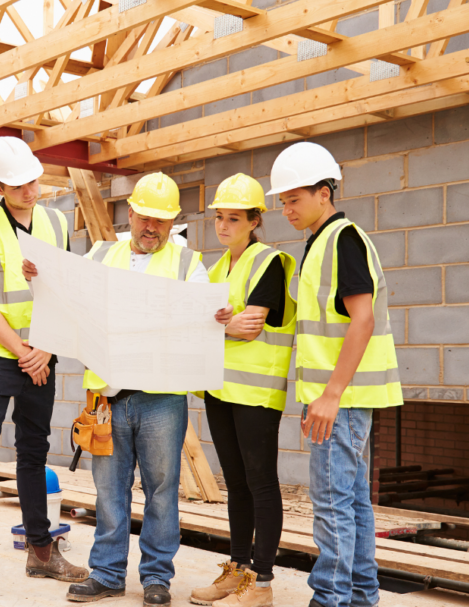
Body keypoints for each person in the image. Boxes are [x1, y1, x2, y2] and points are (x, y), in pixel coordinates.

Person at [25, 172, 232, 607]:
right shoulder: (100, 254)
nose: (150, 228)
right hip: (107, 396)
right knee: (109, 490)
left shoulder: (186, 264)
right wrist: (37, 279)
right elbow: (66, 300)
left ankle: (156, 578)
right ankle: (107, 574)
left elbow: (202, 311)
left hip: (161, 398)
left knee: (161, 490)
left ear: (172, 220)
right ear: (131, 214)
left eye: (160, 220)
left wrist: (216, 314)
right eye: (144, 218)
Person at [0, 137, 88, 602]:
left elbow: (64, 290)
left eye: (33, 179)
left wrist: (43, 350)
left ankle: (41, 552)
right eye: (18, 184)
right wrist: (23, 349)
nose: (30, 189)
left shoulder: (55, 221)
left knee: (33, 453)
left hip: (40, 356)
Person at [269, 142, 402, 607]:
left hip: (338, 399)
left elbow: (361, 320)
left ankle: (331, 598)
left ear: (324, 192)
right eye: (282, 202)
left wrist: (330, 395)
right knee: (351, 502)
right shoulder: (320, 241)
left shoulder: (343, 239)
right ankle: (362, 595)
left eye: (294, 199)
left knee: (331, 504)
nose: (286, 209)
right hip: (336, 397)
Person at [188, 174, 297, 607]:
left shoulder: (268, 262)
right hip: (220, 389)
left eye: (234, 218)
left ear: (255, 221)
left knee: (260, 483)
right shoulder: (216, 269)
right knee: (235, 483)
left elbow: (250, 327)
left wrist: (218, 325)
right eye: (219, 217)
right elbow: (199, 326)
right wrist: (218, 325)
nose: (223, 225)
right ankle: (237, 570)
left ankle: (263, 582)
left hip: (255, 393)